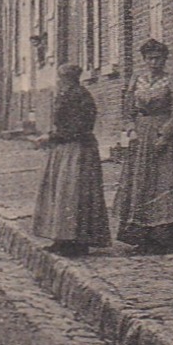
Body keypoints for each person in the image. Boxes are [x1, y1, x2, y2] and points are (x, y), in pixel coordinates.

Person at [114, 39, 173, 254]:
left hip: (166, 138)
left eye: (158, 58)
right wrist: (130, 130)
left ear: (164, 59)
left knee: (164, 181)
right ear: (144, 60)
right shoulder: (136, 81)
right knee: (141, 183)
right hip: (141, 138)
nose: (154, 62)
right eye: (150, 58)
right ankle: (143, 236)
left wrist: (165, 135)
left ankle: (168, 236)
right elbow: (127, 111)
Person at [32, 64, 111, 257]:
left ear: (72, 79)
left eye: (65, 78)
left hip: (78, 151)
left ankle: (75, 240)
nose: (61, 82)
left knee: (72, 194)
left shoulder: (81, 97)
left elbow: (79, 128)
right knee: (61, 194)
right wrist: (53, 136)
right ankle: (62, 238)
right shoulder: (65, 95)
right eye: (61, 78)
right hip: (64, 150)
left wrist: (51, 137)